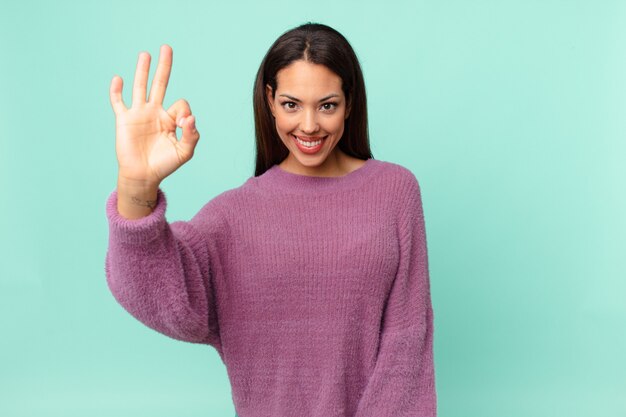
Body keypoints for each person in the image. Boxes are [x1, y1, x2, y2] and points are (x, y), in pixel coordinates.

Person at [105, 22, 437, 417]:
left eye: (327, 105)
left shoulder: (395, 191)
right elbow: (161, 298)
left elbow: (407, 339)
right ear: (269, 99)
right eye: (291, 104)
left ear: (349, 102)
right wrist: (135, 186)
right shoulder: (233, 216)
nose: (309, 125)